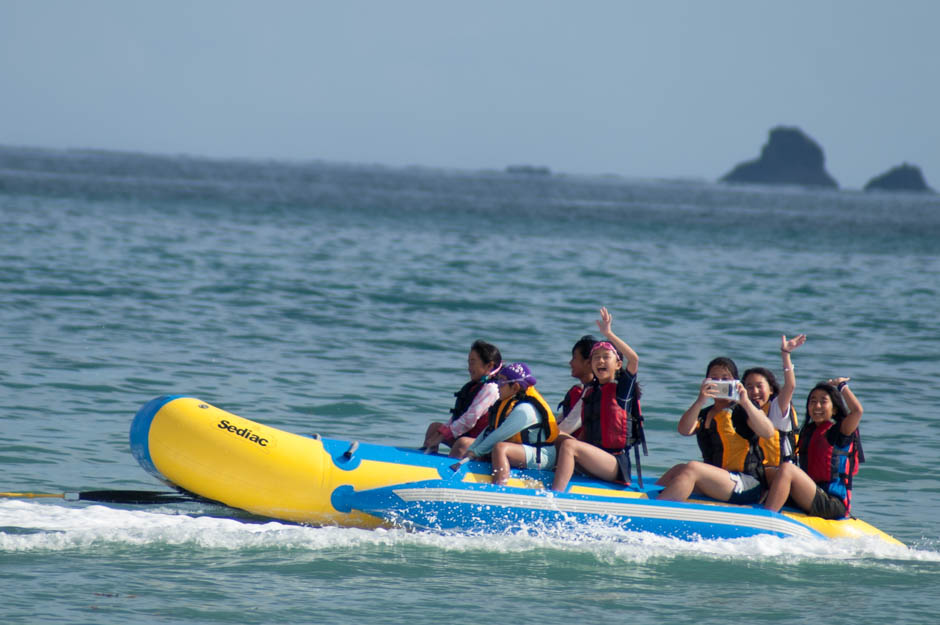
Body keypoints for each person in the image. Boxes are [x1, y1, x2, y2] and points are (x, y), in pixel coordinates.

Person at [656, 357, 776, 504]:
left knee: (693, 467)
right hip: (719, 481)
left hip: (746, 484)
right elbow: (684, 430)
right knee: (679, 469)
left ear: (736, 383)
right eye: (714, 379)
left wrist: (745, 401)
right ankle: (647, 499)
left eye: (725, 379)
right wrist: (700, 400)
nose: (720, 383)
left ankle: (657, 509)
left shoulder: (743, 410)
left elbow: (768, 432)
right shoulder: (705, 413)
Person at [551, 308, 642, 492]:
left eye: (605, 357)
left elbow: (633, 359)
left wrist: (608, 334)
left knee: (569, 446)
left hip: (615, 463)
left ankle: (554, 497)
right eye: (596, 358)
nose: (600, 361)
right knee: (557, 438)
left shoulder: (621, 392)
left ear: (617, 364)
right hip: (595, 458)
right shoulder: (591, 393)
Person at [488, 335, 597, 484]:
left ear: (588, 363)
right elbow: (560, 422)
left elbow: (568, 426)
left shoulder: (593, 392)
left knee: (549, 437)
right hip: (571, 449)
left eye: (574, 358)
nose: (570, 362)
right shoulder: (580, 390)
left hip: (582, 453)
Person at [763, 378, 863, 518]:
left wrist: (841, 386)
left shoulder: (840, 431)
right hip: (811, 494)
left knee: (787, 469)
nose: (817, 406)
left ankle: (767, 516)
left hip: (832, 502)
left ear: (834, 409)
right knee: (769, 471)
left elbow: (857, 411)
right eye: (813, 401)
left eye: (823, 401)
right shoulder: (807, 431)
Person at [459, 362, 558, 477]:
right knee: (480, 447)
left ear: (515, 387)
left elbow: (499, 435)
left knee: (500, 448)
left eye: (501, 382)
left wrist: (475, 452)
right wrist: (471, 450)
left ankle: (500, 486)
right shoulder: (508, 403)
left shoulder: (525, 410)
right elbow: (490, 430)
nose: (497, 386)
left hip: (542, 456)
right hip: (524, 451)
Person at [422, 340, 501, 456]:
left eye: (473, 362)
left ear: (489, 365)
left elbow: (469, 419)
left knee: (462, 443)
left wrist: (443, 436)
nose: (469, 368)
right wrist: (441, 432)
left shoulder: (492, 389)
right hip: (469, 436)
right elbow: (458, 417)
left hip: (484, 443)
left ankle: (449, 470)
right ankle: (424, 459)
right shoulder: (475, 387)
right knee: (434, 428)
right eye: (468, 362)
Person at [740, 334, 806, 469]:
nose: (755, 391)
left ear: (771, 389)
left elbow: (790, 386)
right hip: (760, 472)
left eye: (759, 386)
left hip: (783, 471)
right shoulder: (744, 411)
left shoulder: (777, 407)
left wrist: (785, 354)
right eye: (749, 387)